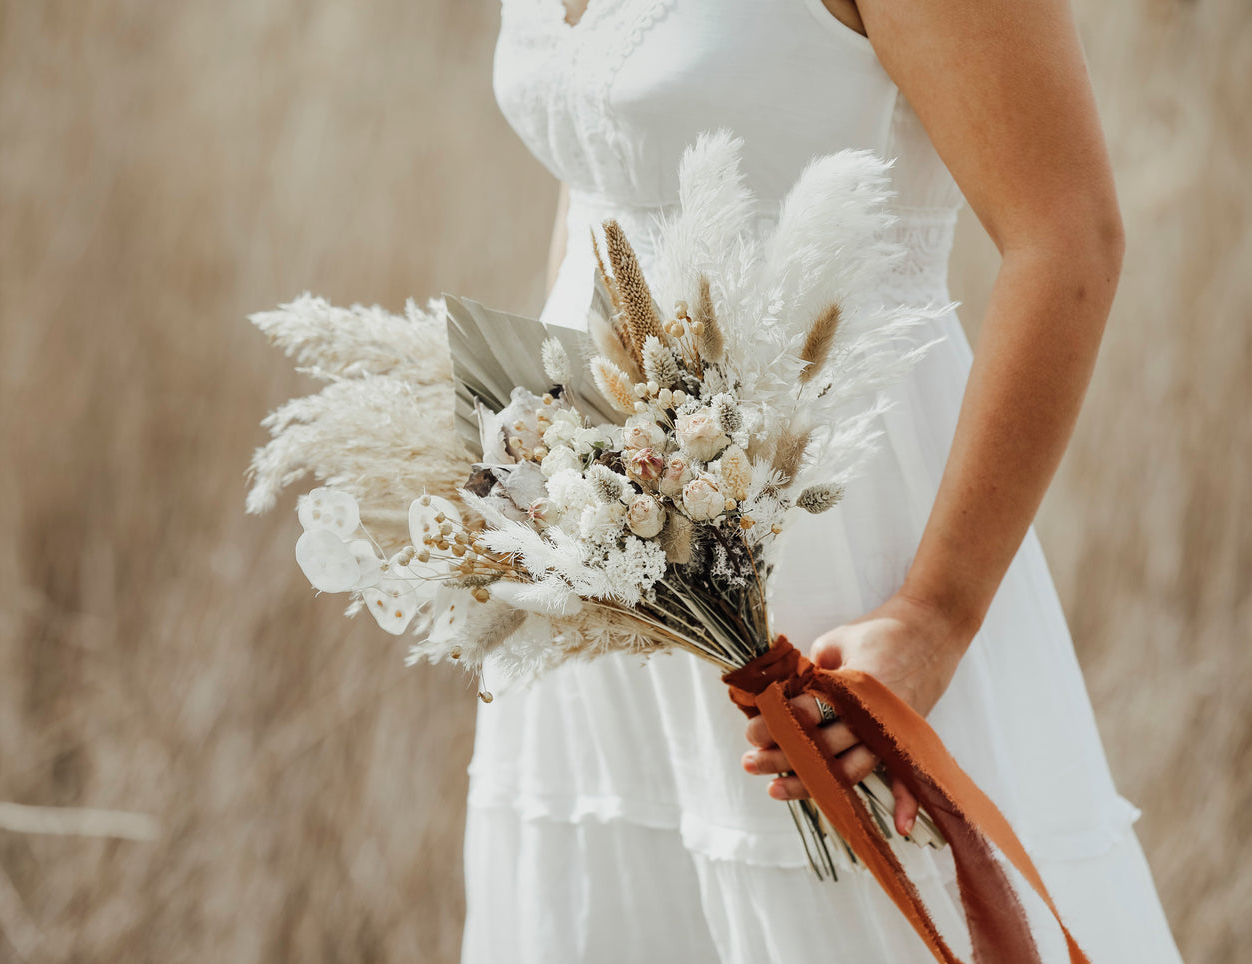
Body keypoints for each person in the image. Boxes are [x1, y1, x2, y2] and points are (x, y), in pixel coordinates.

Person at [462, 0, 1186, 960]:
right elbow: (602, 181)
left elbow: (1068, 239)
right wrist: (529, 470)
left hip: (841, 552)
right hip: (607, 545)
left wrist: (933, 617)